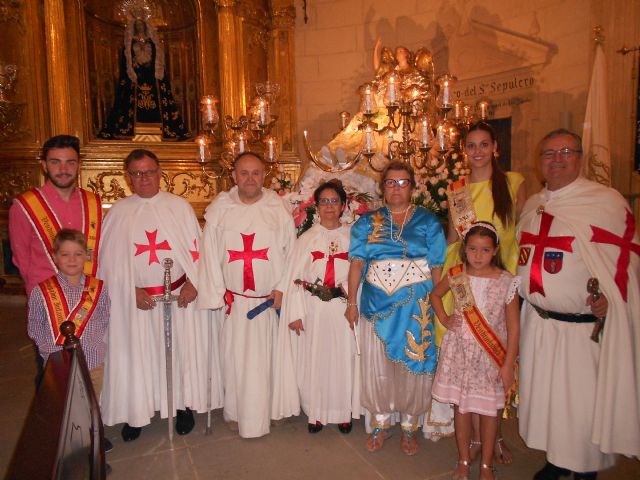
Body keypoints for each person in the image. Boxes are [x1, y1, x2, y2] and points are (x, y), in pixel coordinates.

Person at [517, 129, 640, 479]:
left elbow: (625, 261)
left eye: (565, 152)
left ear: (580, 157)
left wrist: (612, 301)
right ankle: (556, 462)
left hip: (580, 326)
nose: (557, 160)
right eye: (549, 154)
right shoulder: (533, 204)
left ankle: (586, 471)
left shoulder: (604, 202)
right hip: (539, 322)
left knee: (580, 404)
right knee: (551, 402)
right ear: (539, 162)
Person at [99, 148, 222, 442]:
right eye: (137, 173)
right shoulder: (118, 213)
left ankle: (182, 406)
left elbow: (198, 251)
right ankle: (137, 411)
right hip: (137, 304)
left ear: (160, 173)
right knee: (137, 354)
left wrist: (193, 283)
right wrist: (130, 290)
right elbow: (108, 264)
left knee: (180, 353)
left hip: (178, 299)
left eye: (150, 171)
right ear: (128, 177)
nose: (144, 178)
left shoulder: (178, 207)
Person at [345, 160, 446, 456]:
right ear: (383, 187)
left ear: (413, 187)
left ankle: (410, 427)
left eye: (403, 182)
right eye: (391, 182)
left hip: (417, 305)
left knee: (414, 364)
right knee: (378, 366)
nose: (397, 188)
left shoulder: (428, 221)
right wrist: (351, 301)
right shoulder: (366, 222)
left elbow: (438, 266)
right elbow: (357, 263)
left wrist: (439, 305)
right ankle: (380, 423)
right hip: (377, 305)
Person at [439, 121, 526, 462]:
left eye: (483, 144)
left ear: (494, 147)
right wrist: (437, 276)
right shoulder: (457, 190)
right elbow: (451, 239)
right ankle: (476, 441)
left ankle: (495, 436)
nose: (477, 151)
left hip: (502, 279)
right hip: (465, 277)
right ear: (465, 150)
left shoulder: (513, 183)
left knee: (497, 356)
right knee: (470, 355)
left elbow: (522, 227)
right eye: (471, 145)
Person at [198, 152, 296, 439]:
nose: (250, 178)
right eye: (244, 173)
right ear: (234, 176)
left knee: (269, 359)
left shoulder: (277, 209)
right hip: (236, 301)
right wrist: (217, 295)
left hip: (268, 301)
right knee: (235, 359)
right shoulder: (220, 210)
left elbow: (291, 253)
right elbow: (210, 255)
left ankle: (269, 410)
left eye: (255, 173)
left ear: (263, 175)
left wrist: (281, 289)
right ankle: (237, 412)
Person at [431, 222, 520, 480]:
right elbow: (435, 296)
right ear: (464, 250)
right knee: (462, 408)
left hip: (490, 357)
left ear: (495, 250)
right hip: (460, 353)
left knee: (489, 410)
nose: (478, 256)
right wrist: (445, 319)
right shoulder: (457, 274)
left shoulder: (507, 281)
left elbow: (514, 327)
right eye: (472, 249)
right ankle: (463, 460)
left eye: (484, 250)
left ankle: (486, 465)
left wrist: (508, 365)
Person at [272, 180, 361, 434]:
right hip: (313, 309)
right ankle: (317, 413)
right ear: (317, 206)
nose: (329, 206)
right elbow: (294, 279)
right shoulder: (307, 239)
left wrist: (353, 299)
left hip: (343, 307)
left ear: (344, 205)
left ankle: (344, 412)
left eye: (334, 201)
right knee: (315, 361)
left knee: (343, 360)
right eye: (324, 201)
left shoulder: (353, 237)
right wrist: (295, 313)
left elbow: (361, 273)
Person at [9, 134, 103, 297]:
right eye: (55, 162)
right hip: (46, 298)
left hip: (87, 298)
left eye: (70, 162)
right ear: (44, 166)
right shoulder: (24, 206)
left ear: (79, 165)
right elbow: (22, 260)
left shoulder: (93, 202)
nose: (63, 170)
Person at [28, 228, 110, 392]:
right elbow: (35, 326)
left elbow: (105, 319)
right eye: (65, 254)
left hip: (92, 364)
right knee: (62, 414)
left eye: (78, 254)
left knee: (91, 413)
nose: (72, 259)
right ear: (55, 257)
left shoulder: (98, 288)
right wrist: (47, 352)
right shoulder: (41, 291)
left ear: (87, 255)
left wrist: (100, 348)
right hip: (57, 365)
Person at [98, 17, 191, 140]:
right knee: (127, 101)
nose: (139, 27)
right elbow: (126, 61)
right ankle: (132, 129)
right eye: (137, 25)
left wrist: (152, 68)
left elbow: (158, 59)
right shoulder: (130, 43)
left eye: (141, 24)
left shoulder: (152, 42)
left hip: (152, 77)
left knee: (159, 100)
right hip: (135, 78)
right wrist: (134, 70)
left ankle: (162, 129)